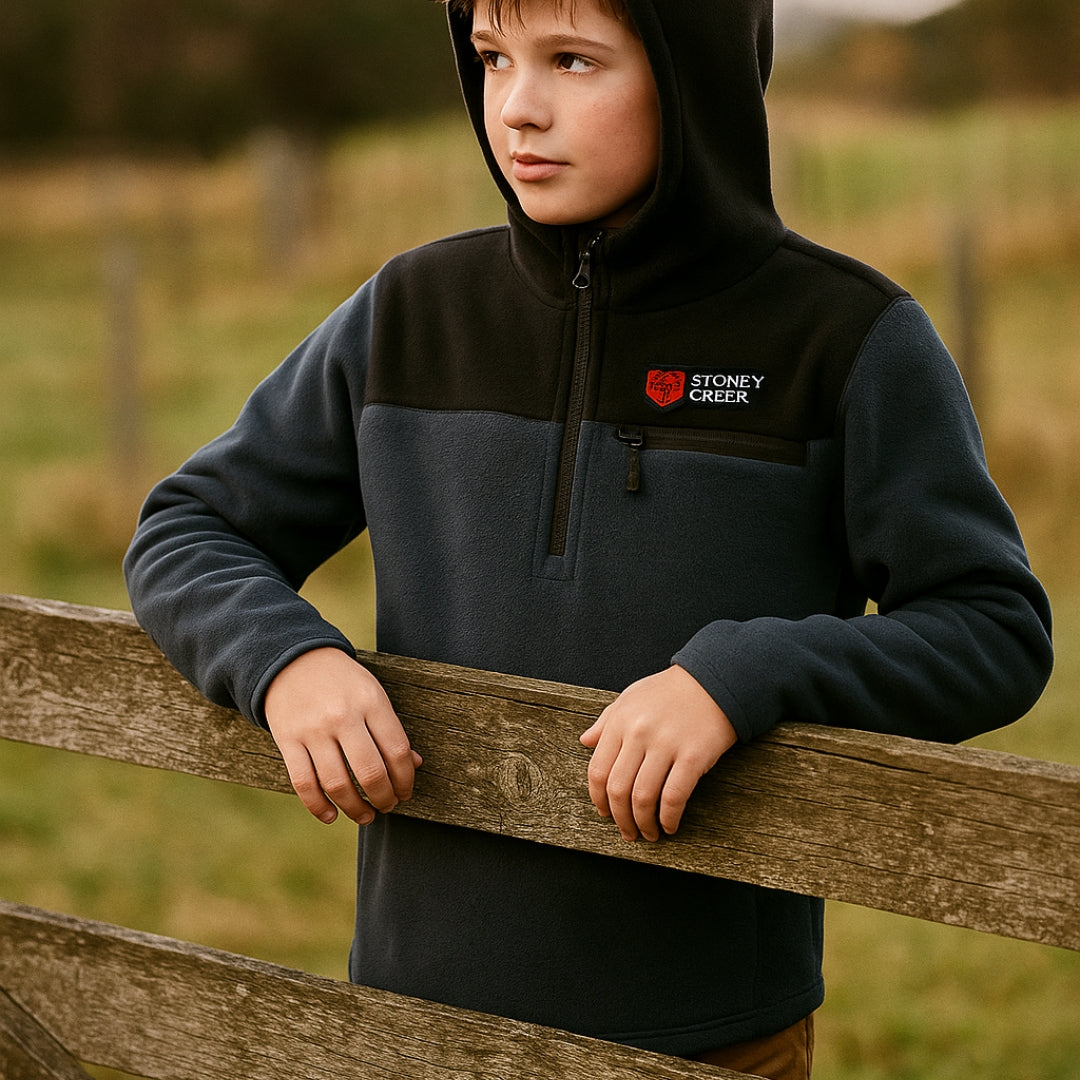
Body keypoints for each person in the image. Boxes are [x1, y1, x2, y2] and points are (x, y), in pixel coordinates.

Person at [123, 0, 1053, 1076]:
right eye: (492, 57)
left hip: (709, 1039)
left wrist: (748, 674)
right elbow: (186, 526)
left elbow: (993, 631)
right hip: (414, 1028)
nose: (517, 108)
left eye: (572, 60)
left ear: (689, 73)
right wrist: (285, 661)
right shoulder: (412, 314)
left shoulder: (843, 337)